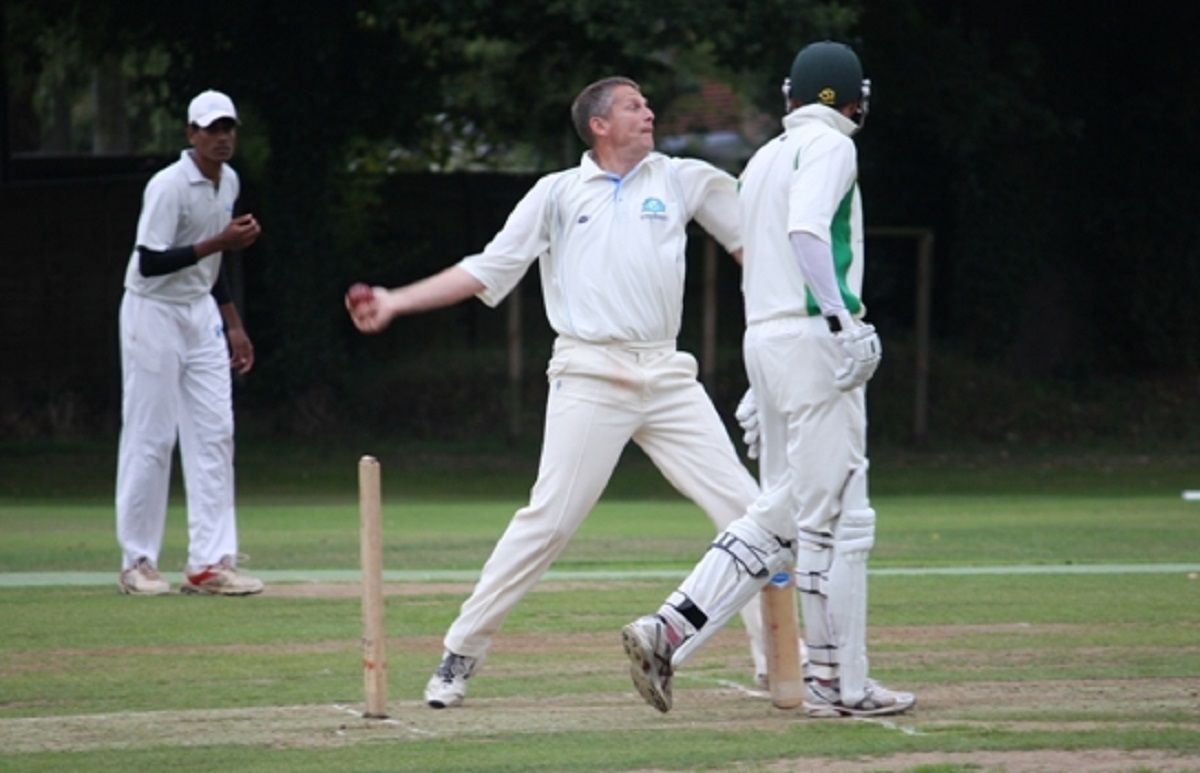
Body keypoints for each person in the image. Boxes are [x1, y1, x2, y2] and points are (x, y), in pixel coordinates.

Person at [345, 75, 768, 708]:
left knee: (751, 513)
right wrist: (394, 301)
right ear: (599, 125)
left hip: (667, 375)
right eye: (634, 106)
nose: (649, 112)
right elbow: (488, 270)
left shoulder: (682, 179)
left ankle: (778, 660)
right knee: (548, 522)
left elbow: (752, 245)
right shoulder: (558, 194)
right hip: (590, 374)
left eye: (647, 104)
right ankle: (460, 653)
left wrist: (797, 325)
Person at [621, 41, 915, 718]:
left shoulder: (761, 159)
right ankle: (835, 683)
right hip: (813, 339)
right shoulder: (832, 147)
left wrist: (764, 376)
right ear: (849, 98)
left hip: (770, 339)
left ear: (793, 95)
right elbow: (808, 233)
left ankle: (667, 628)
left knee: (781, 511)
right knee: (839, 519)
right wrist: (844, 322)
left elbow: (763, 259)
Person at [115, 89, 265, 597]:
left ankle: (209, 564)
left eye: (229, 129)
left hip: (200, 311)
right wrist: (218, 243)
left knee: (215, 432)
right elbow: (150, 262)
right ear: (191, 134)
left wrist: (234, 324)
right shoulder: (168, 186)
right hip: (152, 310)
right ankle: (137, 562)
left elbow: (211, 268)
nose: (222, 138)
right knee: (151, 437)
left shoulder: (230, 182)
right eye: (211, 129)